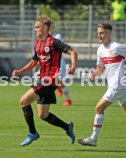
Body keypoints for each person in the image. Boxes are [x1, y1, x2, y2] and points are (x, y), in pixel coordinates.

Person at [12, 15, 77, 146]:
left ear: (46, 28)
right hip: (42, 79)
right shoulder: (37, 43)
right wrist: (19, 71)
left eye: (37, 27)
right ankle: (67, 127)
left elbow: (72, 51)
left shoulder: (54, 42)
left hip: (50, 80)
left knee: (24, 101)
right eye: (35, 27)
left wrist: (73, 66)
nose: (35, 30)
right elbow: (33, 63)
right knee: (43, 115)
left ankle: (32, 133)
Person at [49, 22, 72, 106]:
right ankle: (57, 86)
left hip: (59, 63)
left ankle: (68, 99)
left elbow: (54, 47)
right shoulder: (43, 37)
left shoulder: (57, 36)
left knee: (57, 80)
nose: (49, 29)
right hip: (49, 64)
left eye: (51, 27)